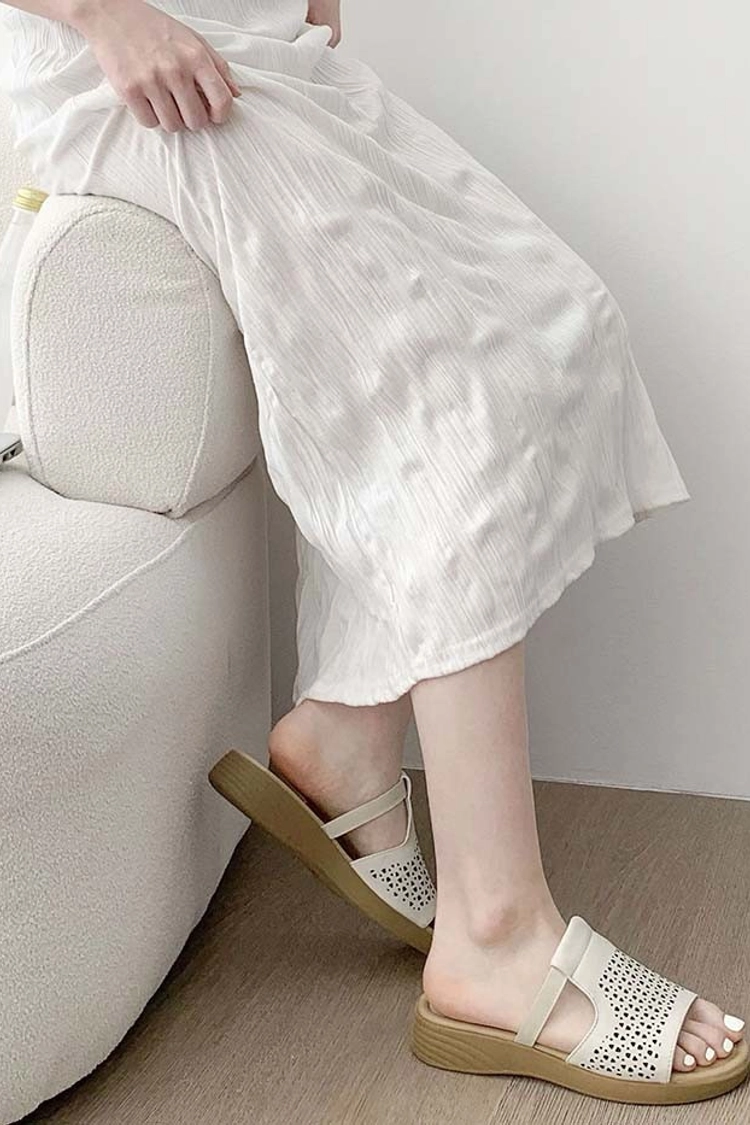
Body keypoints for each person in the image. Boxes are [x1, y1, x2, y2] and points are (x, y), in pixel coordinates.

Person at [1, 0, 746, 1104]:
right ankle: (495, 933)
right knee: (453, 397)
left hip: (262, 45)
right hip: (139, 67)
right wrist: (105, 16)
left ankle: (347, 731)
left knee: (559, 318)